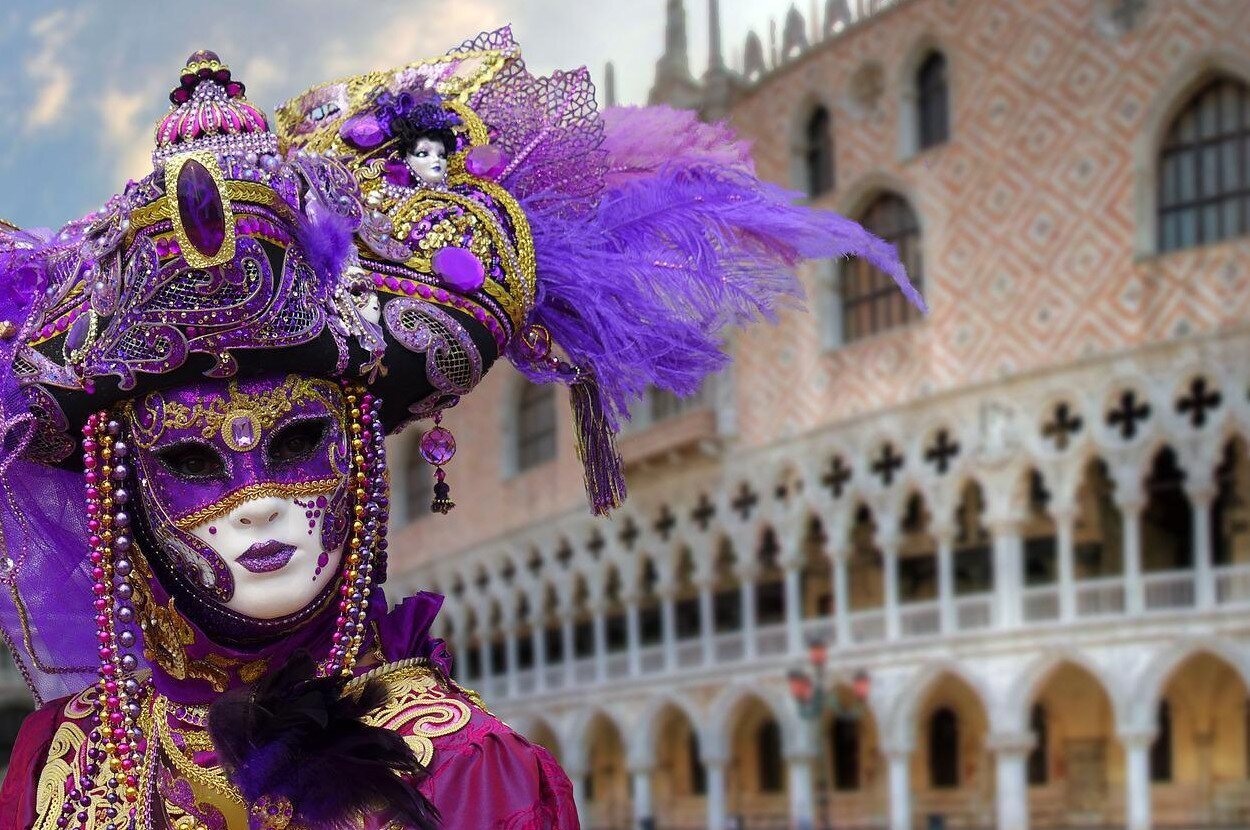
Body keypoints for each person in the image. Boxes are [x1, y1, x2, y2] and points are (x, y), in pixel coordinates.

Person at [0, 31, 921, 830]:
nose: (259, 505)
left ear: (360, 448)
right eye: (194, 460)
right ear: (123, 483)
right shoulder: (66, 757)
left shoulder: (463, 768)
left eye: (296, 444)